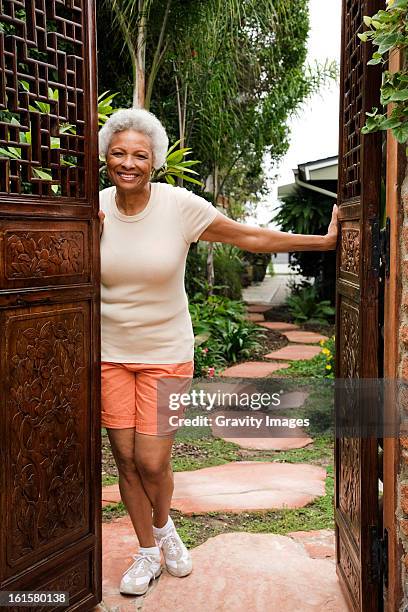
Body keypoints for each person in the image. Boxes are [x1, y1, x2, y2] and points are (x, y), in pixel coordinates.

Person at [98, 107, 338, 597]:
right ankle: (147, 552)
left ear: (155, 161)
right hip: (109, 352)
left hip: (165, 351)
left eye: (139, 155)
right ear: (106, 158)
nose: (128, 163)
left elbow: (249, 236)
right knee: (123, 458)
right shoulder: (93, 209)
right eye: (118, 153)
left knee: (151, 460)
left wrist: (325, 241)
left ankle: (164, 528)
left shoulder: (178, 207)